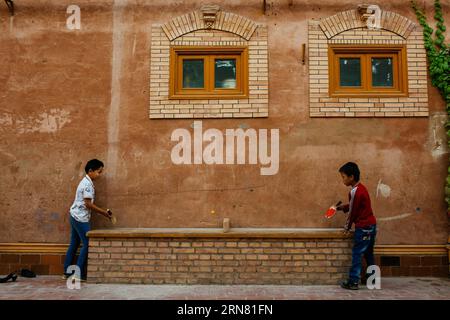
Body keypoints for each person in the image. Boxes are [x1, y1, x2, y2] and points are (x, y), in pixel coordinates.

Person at [63, 159, 113, 281]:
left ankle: (67, 272)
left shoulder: (86, 182)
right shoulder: (87, 185)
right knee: (87, 244)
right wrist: (104, 213)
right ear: (90, 171)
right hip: (80, 218)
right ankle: (78, 274)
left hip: (74, 215)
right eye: (98, 172)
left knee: (74, 243)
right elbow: (88, 204)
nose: (99, 175)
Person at [336, 162, 377, 290]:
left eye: (343, 177)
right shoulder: (361, 189)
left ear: (351, 177)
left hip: (363, 227)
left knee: (357, 253)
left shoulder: (355, 192)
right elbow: (355, 206)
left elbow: (353, 212)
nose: (342, 180)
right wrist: (343, 207)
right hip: (372, 225)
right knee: (369, 253)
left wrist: (347, 227)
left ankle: (353, 281)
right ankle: (372, 280)